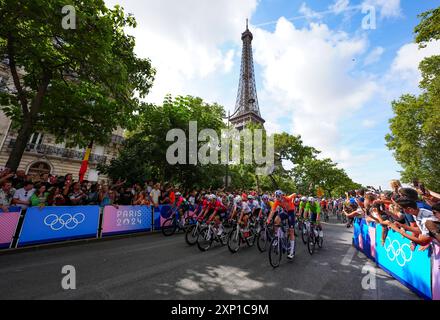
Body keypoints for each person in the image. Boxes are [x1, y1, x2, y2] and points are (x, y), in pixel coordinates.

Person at [266, 190, 297, 259]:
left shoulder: (287, 198)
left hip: (291, 212)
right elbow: (272, 211)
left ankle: (291, 252)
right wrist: (268, 220)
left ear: (282, 196)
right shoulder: (276, 201)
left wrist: (294, 199)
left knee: (291, 231)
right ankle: (277, 237)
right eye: (276, 196)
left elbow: (294, 194)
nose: (277, 197)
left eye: (278, 196)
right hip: (285, 212)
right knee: (276, 220)